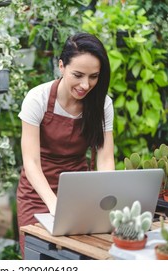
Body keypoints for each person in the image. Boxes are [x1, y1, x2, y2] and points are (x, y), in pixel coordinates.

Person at [16, 32, 115, 258]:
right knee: (38, 258)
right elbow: (30, 162)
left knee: (77, 257)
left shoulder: (102, 104)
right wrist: (54, 204)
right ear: (61, 66)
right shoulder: (37, 99)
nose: (85, 85)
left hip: (78, 193)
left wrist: (107, 198)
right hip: (37, 194)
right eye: (78, 75)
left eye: (93, 76)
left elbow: (106, 157)